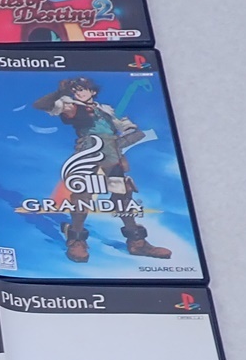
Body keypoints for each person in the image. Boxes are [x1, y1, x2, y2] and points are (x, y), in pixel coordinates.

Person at [33, 76, 171, 262]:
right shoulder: (72, 106)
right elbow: (40, 105)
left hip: (113, 155)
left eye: (82, 89)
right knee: (83, 197)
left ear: (93, 91)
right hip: (90, 154)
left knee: (123, 197)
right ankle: (76, 240)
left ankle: (137, 242)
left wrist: (128, 131)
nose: (78, 93)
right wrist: (59, 93)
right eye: (75, 90)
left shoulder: (106, 110)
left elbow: (125, 126)